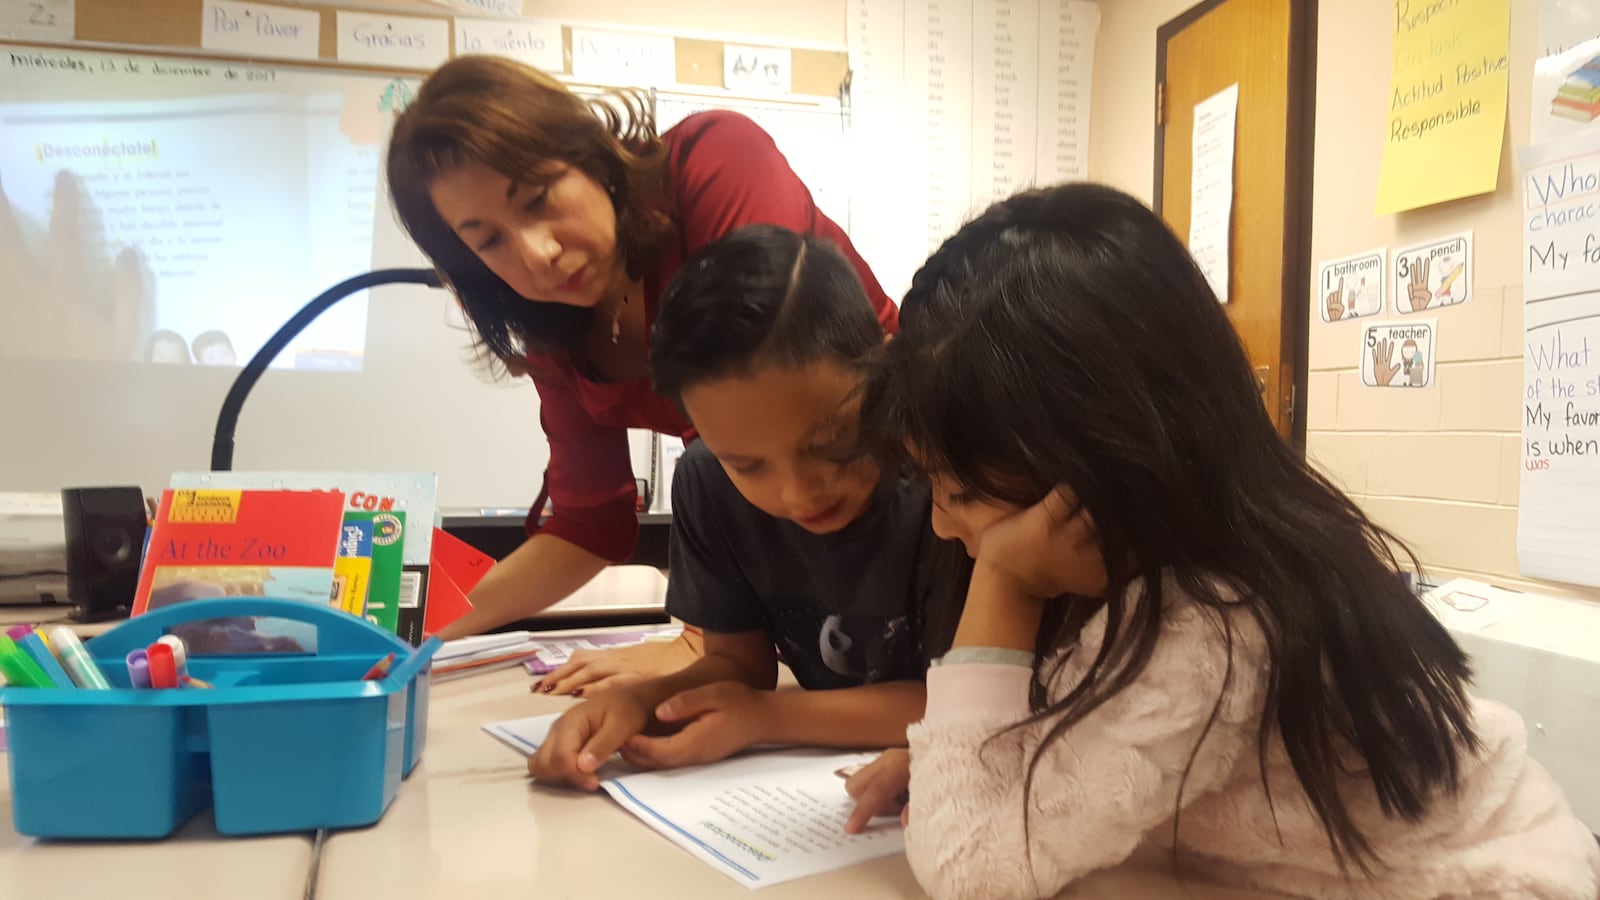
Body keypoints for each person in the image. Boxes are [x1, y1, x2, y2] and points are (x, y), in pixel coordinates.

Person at [844, 183, 1600, 899]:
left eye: (962, 492)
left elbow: (967, 868)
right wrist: (957, 761)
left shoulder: (1209, 629)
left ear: (1092, 469)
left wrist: (1002, 580)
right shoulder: (1193, 564)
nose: (940, 523)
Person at [385, 58, 897, 684]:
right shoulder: (555, 330)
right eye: (488, 241)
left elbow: (771, 388)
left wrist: (703, 638)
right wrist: (412, 636)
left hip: (906, 481)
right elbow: (589, 525)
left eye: (540, 198)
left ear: (591, 156)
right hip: (812, 551)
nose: (538, 255)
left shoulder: (716, 163)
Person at [526, 225, 957, 789]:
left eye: (830, 446)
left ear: (882, 374)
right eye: (748, 465)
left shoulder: (949, 488)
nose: (799, 494)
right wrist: (642, 702)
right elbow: (740, 665)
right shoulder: (707, 481)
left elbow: (968, 702)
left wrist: (770, 717)